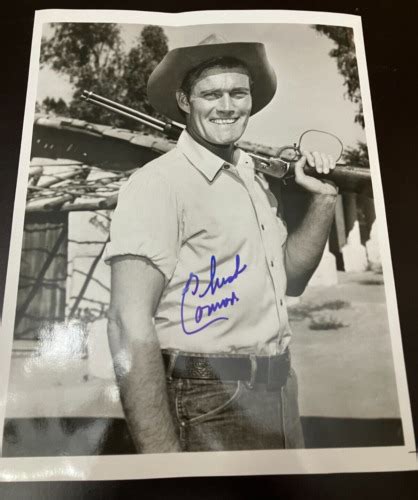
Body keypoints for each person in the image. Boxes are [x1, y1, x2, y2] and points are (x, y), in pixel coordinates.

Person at [105, 35, 338, 453]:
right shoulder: (158, 184)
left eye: (238, 93)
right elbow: (127, 324)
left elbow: (293, 280)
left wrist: (323, 199)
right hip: (207, 399)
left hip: (281, 388)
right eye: (211, 94)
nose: (227, 106)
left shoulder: (253, 179)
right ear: (184, 100)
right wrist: (160, 460)